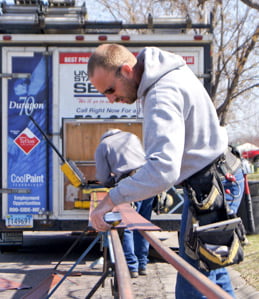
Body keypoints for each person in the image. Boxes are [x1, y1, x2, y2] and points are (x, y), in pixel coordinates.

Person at [87, 44, 244, 298]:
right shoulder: (165, 77)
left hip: (212, 185)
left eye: (110, 90)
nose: (111, 99)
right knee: (211, 272)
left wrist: (112, 199)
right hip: (212, 181)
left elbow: (162, 171)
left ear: (127, 70)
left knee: (192, 284)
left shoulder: (161, 93)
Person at [94, 128, 154, 278]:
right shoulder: (131, 136)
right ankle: (142, 264)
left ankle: (131, 266)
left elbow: (102, 176)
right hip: (149, 180)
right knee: (143, 225)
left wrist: (110, 184)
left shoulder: (103, 145)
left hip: (129, 185)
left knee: (127, 226)